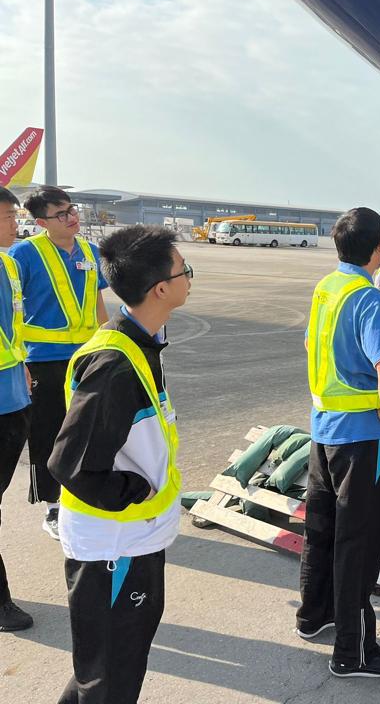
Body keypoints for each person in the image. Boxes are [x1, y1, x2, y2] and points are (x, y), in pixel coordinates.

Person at [47, 225, 190, 703]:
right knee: (109, 677)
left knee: (106, 669)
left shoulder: (142, 342)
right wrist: (132, 490)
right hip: (114, 543)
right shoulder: (116, 364)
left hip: (134, 537)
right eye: (184, 270)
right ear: (161, 289)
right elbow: (70, 464)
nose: (190, 278)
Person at [297, 207, 380, 679]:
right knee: (358, 543)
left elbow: (310, 345)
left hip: (323, 428)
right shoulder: (369, 298)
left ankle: (313, 615)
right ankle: (354, 652)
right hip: (361, 436)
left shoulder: (326, 288)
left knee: (321, 528)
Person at [9, 186, 109, 539]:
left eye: (72, 209)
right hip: (43, 360)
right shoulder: (24, 254)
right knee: (48, 433)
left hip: (87, 356)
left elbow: (97, 302)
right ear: (41, 222)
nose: (71, 217)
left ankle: (85, 497)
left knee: (90, 430)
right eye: (61, 214)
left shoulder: (90, 252)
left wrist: (107, 344)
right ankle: (53, 507)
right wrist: (18, 359)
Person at [0, 186, 33, 632]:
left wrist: (22, 367)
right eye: (8, 216)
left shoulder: (8, 263)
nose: (15, 223)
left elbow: (13, 328)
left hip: (14, 401)